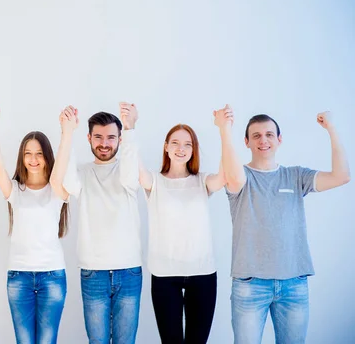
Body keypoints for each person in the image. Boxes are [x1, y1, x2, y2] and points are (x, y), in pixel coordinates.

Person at [219, 105, 351, 344]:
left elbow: (341, 176)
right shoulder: (240, 177)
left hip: (294, 284)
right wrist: (224, 128)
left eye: (269, 134)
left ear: (279, 140)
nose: (264, 140)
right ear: (246, 142)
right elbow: (233, 173)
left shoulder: (296, 175)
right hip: (250, 285)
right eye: (256, 135)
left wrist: (331, 128)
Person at [50, 103, 142, 344]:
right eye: (98, 137)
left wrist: (131, 127)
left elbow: (131, 177)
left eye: (111, 137)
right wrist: (67, 132)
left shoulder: (128, 170)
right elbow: (62, 181)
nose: (104, 143)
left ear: (120, 140)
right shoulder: (82, 174)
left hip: (129, 270)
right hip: (94, 272)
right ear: (89, 138)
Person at [139, 120, 227, 344]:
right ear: (166, 147)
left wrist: (224, 129)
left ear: (193, 150)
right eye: (175, 143)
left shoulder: (203, 180)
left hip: (203, 275)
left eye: (187, 144)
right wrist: (129, 126)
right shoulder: (154, 181)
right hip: (164, 276)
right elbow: (133, 165)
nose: (181, 148)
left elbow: (225, 176)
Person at [0, 128, 70, 344]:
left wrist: (67, 132)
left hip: (52, 277)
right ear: (22, 156)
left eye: (39, 153)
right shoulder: (15, 190)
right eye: (28, 153)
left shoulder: (57, 189)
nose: (33, 159)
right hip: (19, 277)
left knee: (47, 341)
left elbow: (61, 166)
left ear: (47, 157)